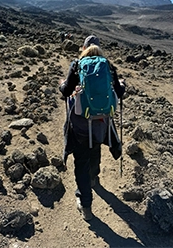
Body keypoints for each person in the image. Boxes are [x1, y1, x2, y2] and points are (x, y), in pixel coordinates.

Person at [59, 35, 126, 220]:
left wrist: (62, 86)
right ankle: (94, 178)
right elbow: (120, 93)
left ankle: (86, 205)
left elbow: (65, 92)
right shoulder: (108, 66)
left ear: (84, 48)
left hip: (81, 124)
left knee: (81, 160)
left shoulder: (77, 64)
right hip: (101, 123)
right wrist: (122, 85)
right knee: (95, 148)